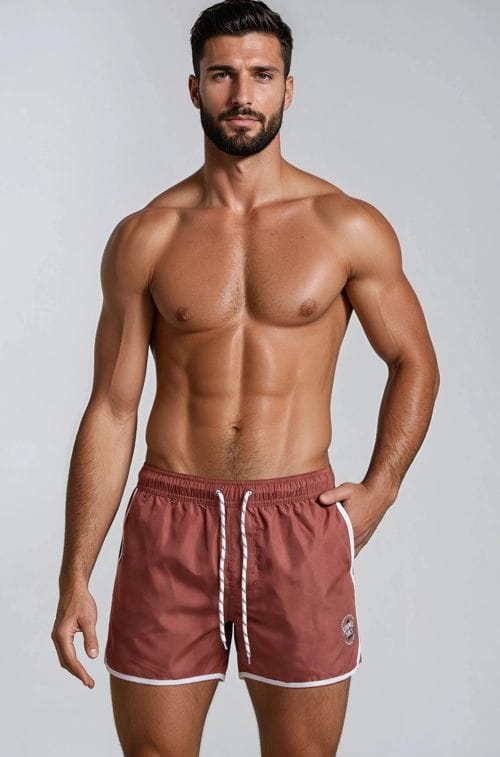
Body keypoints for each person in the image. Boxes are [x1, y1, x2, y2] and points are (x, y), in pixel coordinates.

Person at [50, 0, 440, 754]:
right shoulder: (147, 235)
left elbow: (414, 359)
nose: (242, 94)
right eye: (223, 74)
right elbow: (112, 408)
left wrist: (382, 487)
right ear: (194, 87)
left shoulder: (344, 225)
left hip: (298, 520)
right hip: (172, 519)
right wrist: (76, 575)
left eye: (262, 75)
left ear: (288, 88)